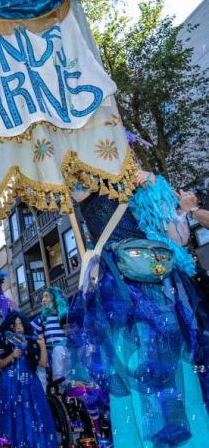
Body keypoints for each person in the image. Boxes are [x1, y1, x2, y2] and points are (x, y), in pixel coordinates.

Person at [68, 170, 209, 446]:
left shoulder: (80, 182)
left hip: (114, 296)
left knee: (128, 372)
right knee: (174, 371)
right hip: (156, 291)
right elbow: (179, 238)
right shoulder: (146, 181)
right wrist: (174, 203)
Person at [0, 312, 57, 448]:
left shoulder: (31, 341)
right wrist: (12, 355)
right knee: (14, 417)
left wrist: (41, 345)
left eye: (20, 324)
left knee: (33, 417)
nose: (18, 327)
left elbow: (42, 363)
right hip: (11, 385)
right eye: (15, 325)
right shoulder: (5, 342)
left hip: (30, 384)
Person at [31, 287, 70, 388]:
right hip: (53, 360)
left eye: (46, 296)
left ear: (55, 298)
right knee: (59, 385)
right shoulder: (42, 319)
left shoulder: (66, 316)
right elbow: (29, 333)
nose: (43, 300)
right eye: (43, 297)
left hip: (69, 356)